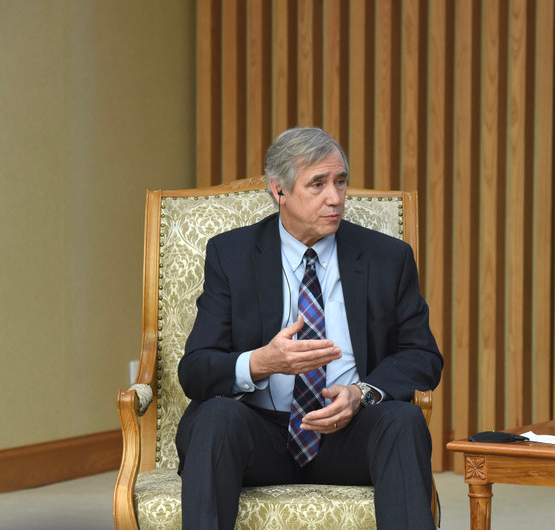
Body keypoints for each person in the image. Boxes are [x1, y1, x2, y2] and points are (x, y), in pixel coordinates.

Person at [175, 126, 443, 529]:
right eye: (317, 184)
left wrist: (361, 393)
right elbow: (195, 370)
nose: (335, 198)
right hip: (260, 435)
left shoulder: (388, 258)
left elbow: (422, 356)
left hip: (350, 433)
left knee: (404, 421)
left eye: (340, 182)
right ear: (278, 189)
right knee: (214, 418)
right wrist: (261, 362)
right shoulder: (231, 255)